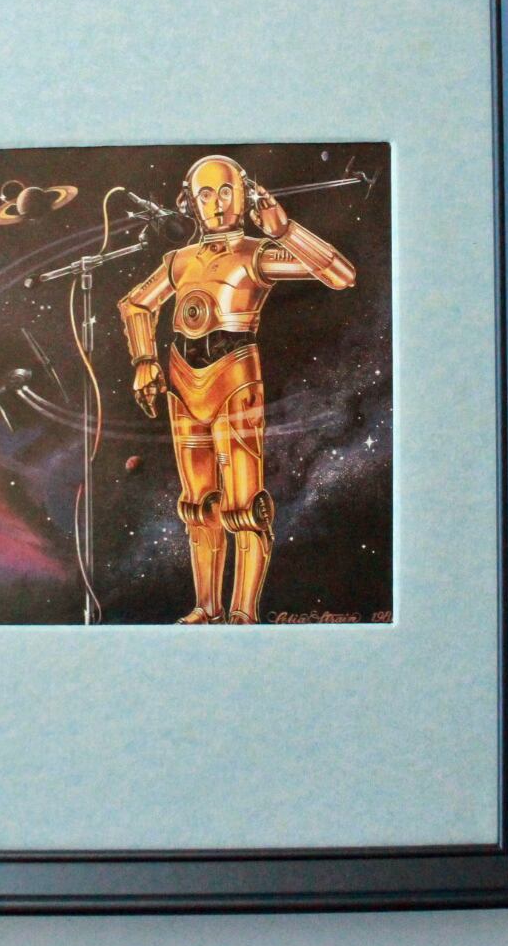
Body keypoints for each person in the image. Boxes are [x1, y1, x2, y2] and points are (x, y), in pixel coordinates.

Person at [117, 155, 355, 623]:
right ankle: (206, 607)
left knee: (245, 506)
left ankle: (243, 612)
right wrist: (144, 360)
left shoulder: (255, 254)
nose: (217, 203)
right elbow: (135, 305)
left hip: (234, 376)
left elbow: (340, 275)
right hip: (182, 380)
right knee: (196, 504)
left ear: (245, 197)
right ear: (190, 202)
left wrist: (285, 231)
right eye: (205, 194)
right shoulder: (180, 261)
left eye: (226, 192)